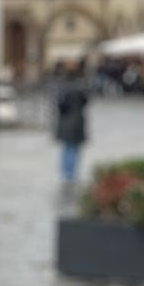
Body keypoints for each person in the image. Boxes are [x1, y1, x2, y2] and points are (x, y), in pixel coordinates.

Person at [54, 61, 89, 191]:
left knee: (67, 148)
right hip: (77, 120)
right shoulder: (81, 87)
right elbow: (86, 101)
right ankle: (72, 174)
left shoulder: (63, 87)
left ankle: (67, 173)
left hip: (66, 121)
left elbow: (59, 104)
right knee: (74, 148)